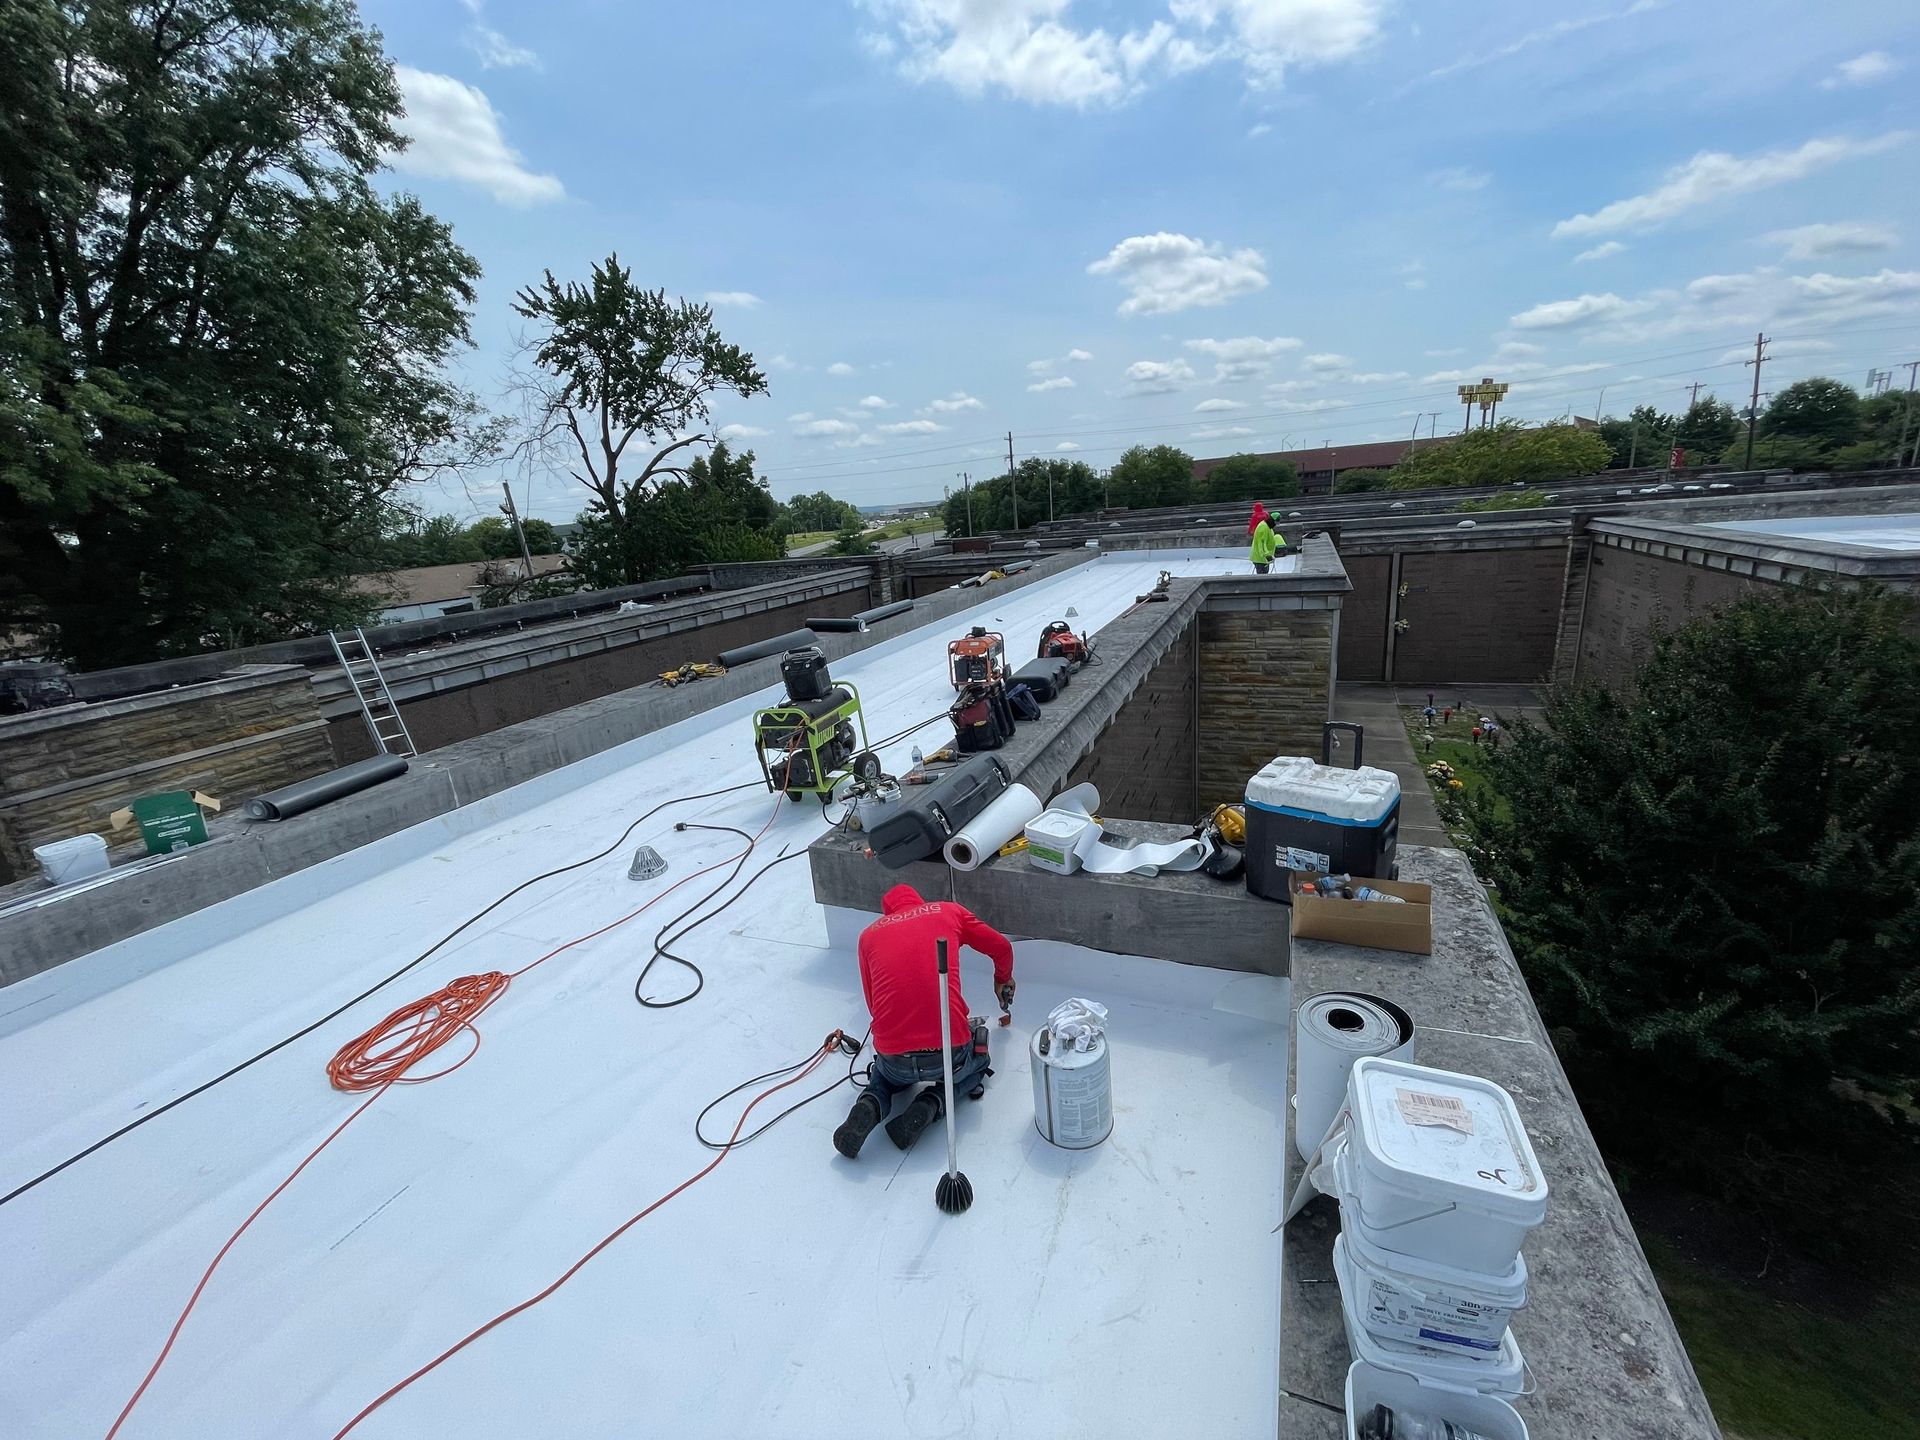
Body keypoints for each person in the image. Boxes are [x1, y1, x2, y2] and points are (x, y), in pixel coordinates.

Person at [834, 883, 1015, 1159]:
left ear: (888, 914)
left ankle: (870, 1104)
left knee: (882, 1078)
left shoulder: (868, 936)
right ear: (919, 902)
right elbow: (1001, 947)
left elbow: (873, 1007)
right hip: (949, 1054)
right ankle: (931, 1103)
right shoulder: (948, 912)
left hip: (895, 1058)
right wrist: (1002, 977)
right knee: (979, 1063)